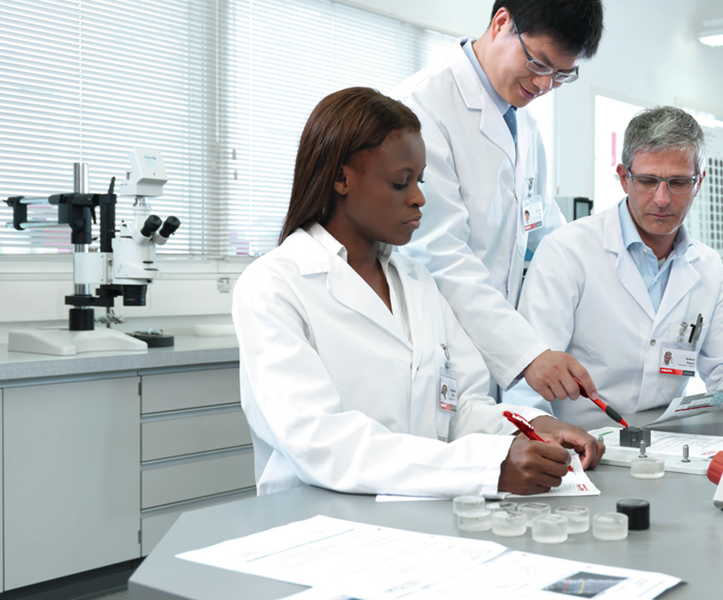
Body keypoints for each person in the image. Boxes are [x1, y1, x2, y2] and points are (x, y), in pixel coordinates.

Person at [233, 87, 602, 498]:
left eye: (420, 180)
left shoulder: (416, 282)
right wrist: (489, 467)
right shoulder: (273, 286)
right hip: (318, 522)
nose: (419, 198)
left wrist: (533, 427)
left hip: (418, 518)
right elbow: (321, 443)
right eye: (400, 182)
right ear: (341, 178)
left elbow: (460, 410)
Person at [504, 106, 723, 426]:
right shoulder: (566, 253)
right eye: (647, 180)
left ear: (699, 182)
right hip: (580, 443)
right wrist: (540, 431)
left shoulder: (708, 268)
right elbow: (529, 375)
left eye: (678, 182)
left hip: (666, 443)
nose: (661, 198)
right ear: (623, 177)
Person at [393, 0, 605, 403]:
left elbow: (547, 230)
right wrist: (526, 354)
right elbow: (439, 254)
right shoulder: (422, 108)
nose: (545, 86)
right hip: (436, 348)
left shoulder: (524, 125)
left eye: (563, 75)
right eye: (540, 64)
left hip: (493, 350)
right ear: (502, 22)